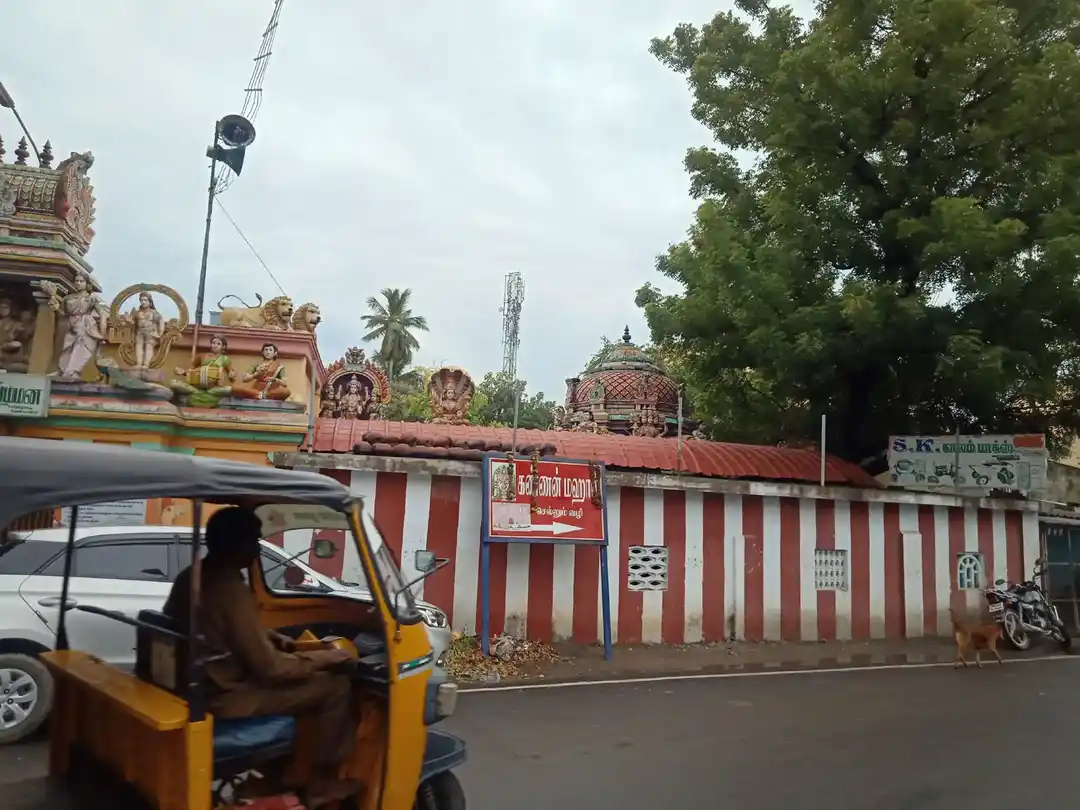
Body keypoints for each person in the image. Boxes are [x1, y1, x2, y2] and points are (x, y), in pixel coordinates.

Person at [164, 507, 359, 806]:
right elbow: (271, 669)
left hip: (200, 682)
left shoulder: (193, 576)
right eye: (253, 541)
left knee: (309, 679)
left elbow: (216, 625)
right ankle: (320, 783)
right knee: (335, 687)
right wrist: (328, 659)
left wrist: (268, 637)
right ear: (235, 544)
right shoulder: (229, 587)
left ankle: (281, 773)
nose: (255, 549)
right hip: (227, 696)